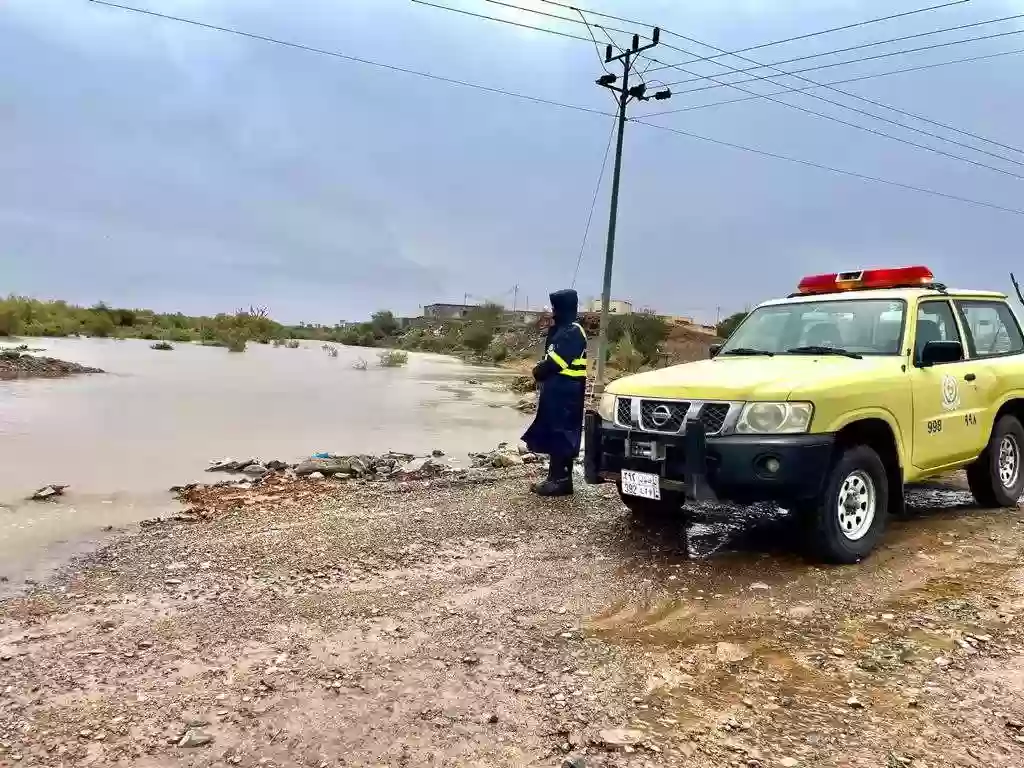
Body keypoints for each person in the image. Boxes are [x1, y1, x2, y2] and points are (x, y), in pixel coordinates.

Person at [522, 288, 588, 496]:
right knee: (553, 431)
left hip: (567, 392)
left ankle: (561, 481)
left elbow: (556, 362)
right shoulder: (562, 329)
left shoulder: (574, 331)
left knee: (562, 434)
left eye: (555, 308)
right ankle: (554, 478)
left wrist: (538, 370)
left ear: (564, 308)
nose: (553, 312)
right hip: (557, 391)